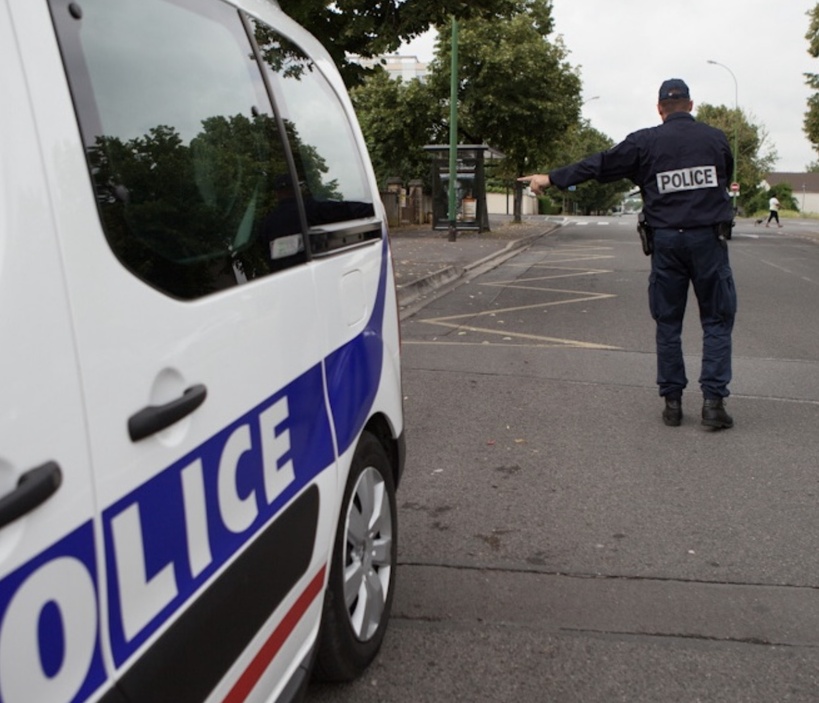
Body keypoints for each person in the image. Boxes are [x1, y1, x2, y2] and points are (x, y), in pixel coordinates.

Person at [519, 78, 737, 430]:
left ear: (660, 109)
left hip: (666, 243)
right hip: (708, 242)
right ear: (691, 105)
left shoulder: (645, 142)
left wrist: (552, 178)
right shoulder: (716, 139)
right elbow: (725, 178)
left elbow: (600, 165)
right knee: (716, 321)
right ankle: (713, 404)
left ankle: (672, 403)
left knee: (668, 322)